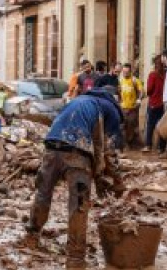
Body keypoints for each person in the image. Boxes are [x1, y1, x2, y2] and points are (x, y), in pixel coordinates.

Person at [25, 88, 124, 269]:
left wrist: (99, 173)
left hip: (51, 148)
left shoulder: (79, 100)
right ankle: (76, 259)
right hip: (77, 154)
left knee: (43, 193)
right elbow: (106, 148)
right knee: (78, 205)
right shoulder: (108, 109)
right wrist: (117, 181)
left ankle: (32, 235)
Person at [142, 55, 166, 153]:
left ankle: (148, 146)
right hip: (163, 104)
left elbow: (149, 90)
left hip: (153, 103)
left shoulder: (153, 75)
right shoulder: (165, 74)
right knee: (162, 125)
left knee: (150, 125)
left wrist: (150, 94)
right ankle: (162, 148)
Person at [119, 63, 143, 148]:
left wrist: (139, 100)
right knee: (122, 126)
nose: (125, 73)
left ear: (130, 71)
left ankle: (131, 142)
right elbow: (118, 91)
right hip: (122, 107)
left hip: (133, 108)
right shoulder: (120, 80)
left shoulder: (135, 80)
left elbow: (141, 91)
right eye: (123, 72)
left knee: (132, 125)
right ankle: (125, 144)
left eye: (127, 72)